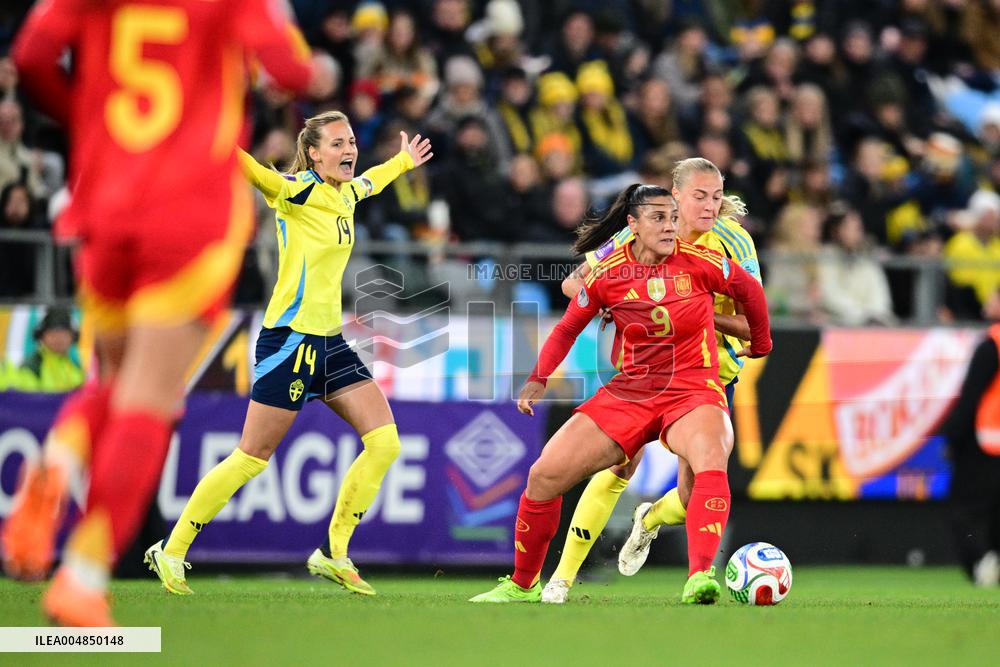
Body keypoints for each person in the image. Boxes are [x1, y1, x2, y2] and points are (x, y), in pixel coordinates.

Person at [8, 0, 331, 626]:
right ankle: (83, 572)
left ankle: (59, 462)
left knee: (115, 380)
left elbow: (29, 57)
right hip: (187, 212)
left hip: (103, 198)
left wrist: (87, 120)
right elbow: (292, 71)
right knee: (152, 396)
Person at [144, 111, 432, 598]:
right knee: (252, 456)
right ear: (315, 153)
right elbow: (255, 172)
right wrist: (205, 133)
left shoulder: (346, 194)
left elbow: (370, 182)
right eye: (337, 143)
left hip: (331, 343)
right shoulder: (295, 190)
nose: (349, 150)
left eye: (352, 142)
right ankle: (171, 550)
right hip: (290, 341)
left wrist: (402, 162)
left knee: (384, 442)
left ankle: (333, 554)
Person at [468, 184, 771, 604]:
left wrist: (762, 341)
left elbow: (752, 293)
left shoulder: (704, 259)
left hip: (693, 386)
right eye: (659, 219)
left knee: (708, 465)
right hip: (631, 389)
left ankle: (699, 576)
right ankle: (524, 584)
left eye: (672, 218)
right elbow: (569, 325)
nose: (670, 227)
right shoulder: (610, 272)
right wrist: (539, 376)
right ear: (633, 226)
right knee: (544, 477)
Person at [543, 157, 762, 603]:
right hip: (641, 374)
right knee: (618, 465)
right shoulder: (640, 231)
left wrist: (699, 312)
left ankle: (651, 520)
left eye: (716, 196)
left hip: (707, 377)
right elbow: (573, 286)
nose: (709, 204)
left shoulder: (735, 242)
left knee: (692, 493)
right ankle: (561, 580)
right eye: (699, 195)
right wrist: (614, 302)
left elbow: (751, 317)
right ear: (675, 195)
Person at [944, 321, 1000, 586]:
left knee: (963, 513)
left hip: (986, 442)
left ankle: (983, 562)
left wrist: (953, 436)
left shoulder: (992, 345)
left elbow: (971, 396)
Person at [17, 307, 85, 392]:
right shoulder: (32, 366)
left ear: (73, 337)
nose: (58, 338)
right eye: (52, 333)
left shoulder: (76, 368)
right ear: (41, 337)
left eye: (64, 334)